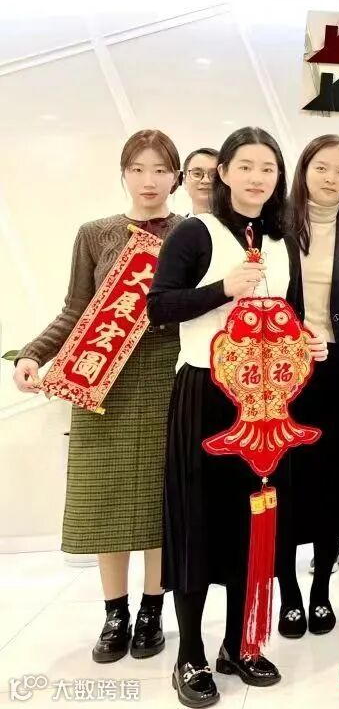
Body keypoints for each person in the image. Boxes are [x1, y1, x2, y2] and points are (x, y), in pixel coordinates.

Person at [148, 126, 328, 706]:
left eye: (268, 168)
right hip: (207, 393)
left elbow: (289, 313)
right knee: (199, 523)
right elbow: (158, 308)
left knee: (255, 523)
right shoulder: (195, 232)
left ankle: (239, 644)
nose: (257, 178)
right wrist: (221, 289)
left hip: (270, 402)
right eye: (245, 166)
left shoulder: (281, 238)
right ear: (222, 173)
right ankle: (190, 654)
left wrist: (307, 342)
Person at [11, 130, 183, 665]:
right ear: (124, 173)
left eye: (160, 169)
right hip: (101, 378)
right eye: (138, 169)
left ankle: (152, 610)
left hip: (168, 375)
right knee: (105, 496)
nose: (149, 180)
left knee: (159, 497)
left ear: (176, 176)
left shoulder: (192, 232)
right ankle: (115, 613)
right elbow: (76, 308)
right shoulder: (95, 233)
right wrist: (33, 354)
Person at [276, 135, 339, 639]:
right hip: (280, 372)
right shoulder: (275, 227)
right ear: (303, 170)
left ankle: (320, 591)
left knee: (333, 475)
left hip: (338, 368)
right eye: (322, 168)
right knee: (283, 476)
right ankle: (288, 591)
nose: (332, 178)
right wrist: (292, 336)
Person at [183, 148, 218, 217]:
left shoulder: (238, 223)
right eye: (197, 174)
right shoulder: (177, 224)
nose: (206, 181)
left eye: (214, 175)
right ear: (184, 181)